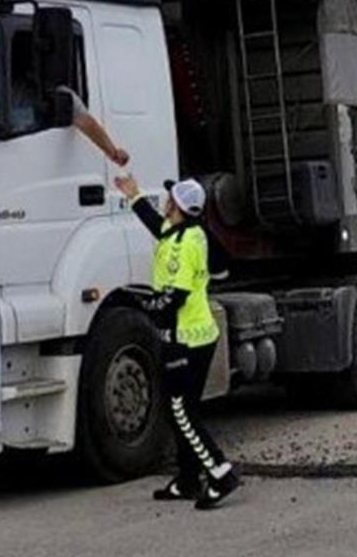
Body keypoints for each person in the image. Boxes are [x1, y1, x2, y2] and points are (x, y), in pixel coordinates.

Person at [113, 173, 241, 510]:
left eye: (170, 198)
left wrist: (133, 302)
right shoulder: (186, 231)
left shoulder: (185, 246)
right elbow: (158, 226)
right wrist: (134, 195)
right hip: (196, 335)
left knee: (180, 411)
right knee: (185, 409)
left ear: (179, 207)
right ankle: (187, 479)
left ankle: (219, 471)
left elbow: (172, 300)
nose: (166, 201)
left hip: (187, 339)